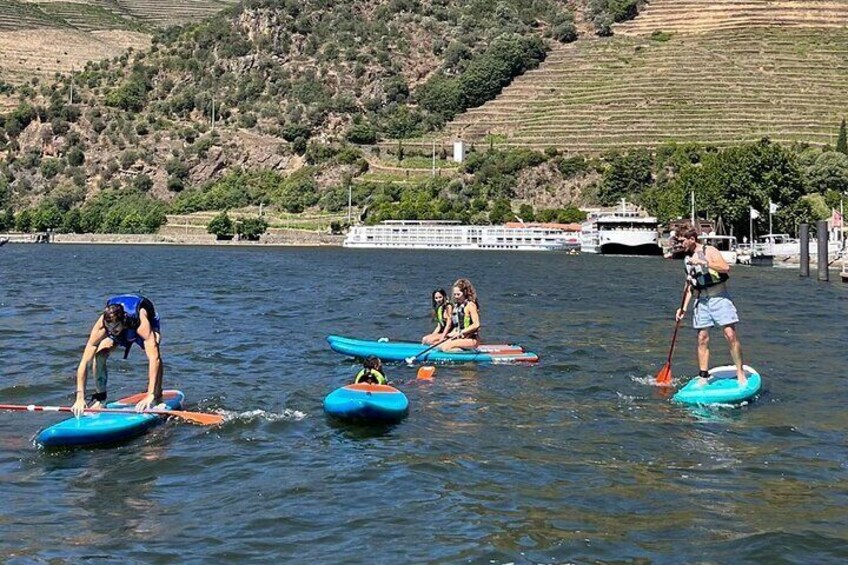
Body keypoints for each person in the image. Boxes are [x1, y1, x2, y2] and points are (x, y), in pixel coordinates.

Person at [675, 228, 746, 386]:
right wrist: (683, 309)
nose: (679, 244)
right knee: (702, 338)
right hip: (702, 301)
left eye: (681, 241)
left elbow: (725, 268)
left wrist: (704, 262)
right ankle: (703, 376)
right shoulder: (686, 259)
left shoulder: (710, 250)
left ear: (692, 239)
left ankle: (740, 373)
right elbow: (689, 286)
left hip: (719, 298)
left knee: (730, 335)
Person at [72, 294, 164, 417]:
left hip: (144, 323)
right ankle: (101, 399)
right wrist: (79, 397)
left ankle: (157, 396)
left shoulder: (141, 323)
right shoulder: (103, 326)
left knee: (155, 348)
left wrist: (150, 395)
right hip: (121, 327)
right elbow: (84, 362)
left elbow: (154, 358)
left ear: (123, 321)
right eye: (108, 328)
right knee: (99, 356)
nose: (111, 331)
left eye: (114, 328)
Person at [439, 278, 481, 352]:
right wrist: (451, 334)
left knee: (445, 347)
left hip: (472, 339)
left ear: (465, 292)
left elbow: (476, 324)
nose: (456, 296)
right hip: (462, 338)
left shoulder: (470, 305)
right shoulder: (457, 306)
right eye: (454, 294)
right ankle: (461, 350)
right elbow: (458, 326)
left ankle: (469, 352)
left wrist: (461, 332)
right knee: (440, 346)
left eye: (458, 294)